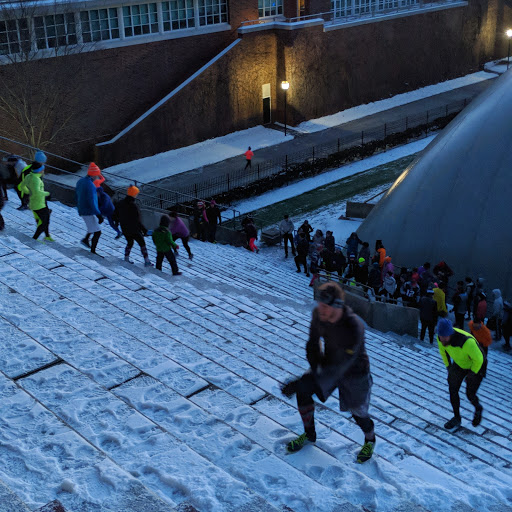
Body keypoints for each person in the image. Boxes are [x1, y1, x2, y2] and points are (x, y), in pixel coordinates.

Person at [281, 282, 376, 463]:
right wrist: (312, 370)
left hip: (355, 371)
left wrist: (315, 376)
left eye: (325, 306)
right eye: (319, 305)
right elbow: (312, 344)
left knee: (358, 413)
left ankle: (370, 440)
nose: (320, 309)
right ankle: (310, 435)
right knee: (303, 390)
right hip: (329, 362)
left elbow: (343, 364)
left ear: (337, 306)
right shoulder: (319, 315)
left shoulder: (354, 326)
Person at [436, 318, 486, 431]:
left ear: (451, 334)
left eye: (445, 337)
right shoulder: (440, 337)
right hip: (459, 363)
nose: (442, 340)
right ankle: (457, 417)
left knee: (470, 393)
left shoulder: (466, 342)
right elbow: (443, 352)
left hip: (476, 365)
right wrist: (448, 367)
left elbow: (479, 359)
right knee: (452, 388)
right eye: (440, 336)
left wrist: (472, 374)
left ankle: (478, 408)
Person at [115, 186, 153, 267]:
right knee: (142, 244)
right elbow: (137, 220)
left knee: (130, 242)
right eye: (136, 193)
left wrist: (117, 224)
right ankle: (147, 261)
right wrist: (144, 230)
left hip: (124, 227)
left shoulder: (120, 203)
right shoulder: (133, 206)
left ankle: (126, 258)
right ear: (134, 194)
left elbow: (116, 215)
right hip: (134, 229)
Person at [19, 158, 53, 242]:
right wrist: (47, 194)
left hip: (34, 202)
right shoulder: (36, 179)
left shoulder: (29, 176)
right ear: (39, 171)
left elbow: (21, 186)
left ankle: (47, 236)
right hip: (39, 203)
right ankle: (34, 239)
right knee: (44, 222)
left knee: (45, 219)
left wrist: (28, 192)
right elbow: (37, 192)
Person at [75, 163, 103, 255]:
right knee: (97, 231)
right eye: (97, 175)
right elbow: (92, 202)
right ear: (94, 174)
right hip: (87, 210)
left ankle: (86, 240)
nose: (98, 177)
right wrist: (98, 214)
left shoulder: (81, 181)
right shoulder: (90, 185)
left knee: (92, 227)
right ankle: (93, 251)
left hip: (82, 208)